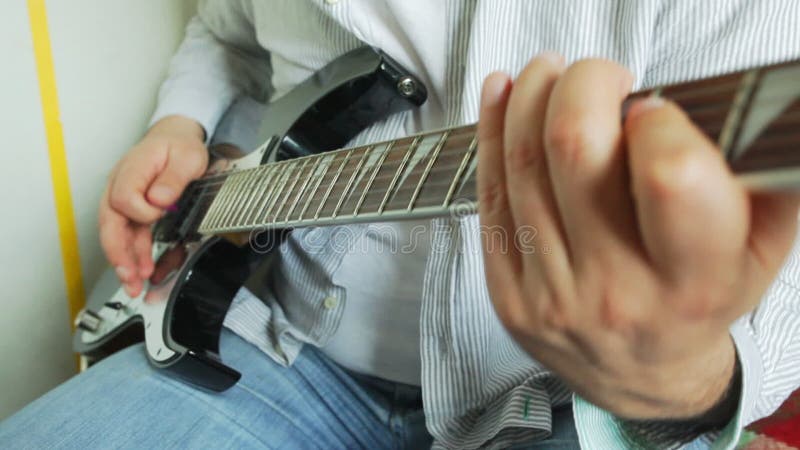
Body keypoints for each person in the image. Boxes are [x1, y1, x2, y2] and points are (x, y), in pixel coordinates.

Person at [2, 1, 800, 448]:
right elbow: (226, 32)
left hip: (564, 408)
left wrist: (680, 380)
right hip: (276, 349)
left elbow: (775, 312)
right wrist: (177, 121)